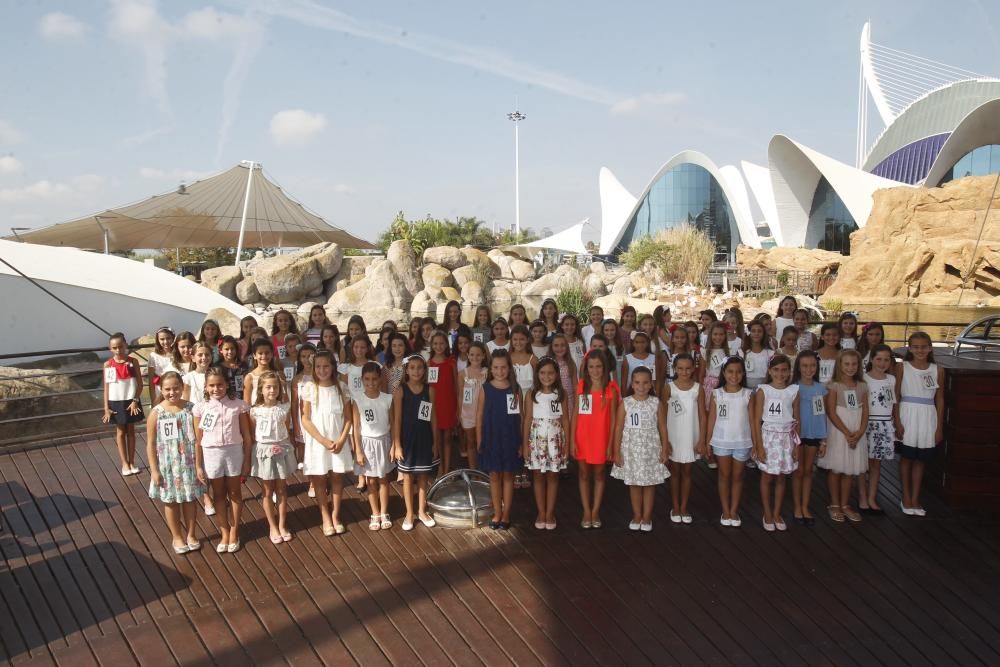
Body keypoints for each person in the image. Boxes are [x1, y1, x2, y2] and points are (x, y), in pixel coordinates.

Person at [146, 371, 205, 554]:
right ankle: (176, 536)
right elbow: (150, 443)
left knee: (190, 499)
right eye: (167, 389)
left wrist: (199, 465)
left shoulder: (191, 408)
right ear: (161, 390)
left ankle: (191, 534)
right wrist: (154, 470)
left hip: (188, 462)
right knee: (170, 501)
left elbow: (197, 438)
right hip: (168, 465)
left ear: (182, 387)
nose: (172, 392)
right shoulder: (157, 413)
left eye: (176, 388)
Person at [194, 367, 252, 552]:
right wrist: (198, 466)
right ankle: (224, 532)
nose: (216, 389)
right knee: (218, 494)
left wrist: (247, 460)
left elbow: (247, 436)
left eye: (220, 384)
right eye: (211, 385)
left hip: (234, 452)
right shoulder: (200, 408)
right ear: (205, 387)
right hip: (212, 454)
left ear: (227, 385)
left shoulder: (238, 405)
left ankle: (235, 531)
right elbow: (197, 439)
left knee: (234, 492)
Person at [300, 350, 353, 536]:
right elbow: (305, 419)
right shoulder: (310, 387)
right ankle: (325, 516)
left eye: (326, 366)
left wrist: (341, 439)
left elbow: (348, 418)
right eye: (318, 367)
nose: (322, 370)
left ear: (333, 367)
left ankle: (336, 514)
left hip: (338, 440)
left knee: (338, 478)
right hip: (319, 441)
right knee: (320, 478)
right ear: (314, 368)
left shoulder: (342, 387)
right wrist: (322, 440)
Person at [611, 367, 669, 532]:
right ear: (632, 384)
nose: (641, 386)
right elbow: (618, 428)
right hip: (631, 450)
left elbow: (663, 427)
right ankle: (637, 515)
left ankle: (647, 516)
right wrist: (616, 451)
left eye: (645, 383)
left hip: (651, 449)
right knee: (634, 483)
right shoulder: (626, 403)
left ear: (651, 384)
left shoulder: (656, 403)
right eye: (637, 382)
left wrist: (664, 449)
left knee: (650, 484)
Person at [894, 332, 944, 516]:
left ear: (930, 348)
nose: (920, 350)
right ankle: (905, 497)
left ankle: (916, 499)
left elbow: (940, 399)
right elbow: (896, 395)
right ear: (909, 348)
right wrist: (897, 421)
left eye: (924, 346)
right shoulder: (903, 368)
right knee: (906, 458)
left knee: (921, 460)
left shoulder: (937, 370)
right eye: (915, 346)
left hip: (927, 416)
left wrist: (939, 426)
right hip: (907, 413)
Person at [818, 350, 869, 523]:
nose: (850, 367)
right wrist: (847, 433)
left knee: (850, 470)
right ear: (839, 365)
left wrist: (860, 432)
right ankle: (834, 504)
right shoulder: (834, 386)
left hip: (856, 432)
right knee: (836, 468)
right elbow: (831, 412)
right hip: (839, 431)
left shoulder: (862, 385)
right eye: (846, 364)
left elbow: (866, 412)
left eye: (854, 364)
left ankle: (845, 504)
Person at [751, 355, 800, 532]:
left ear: (789, 371)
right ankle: (767, 513)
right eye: (776, 370)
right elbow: (756, 420)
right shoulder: (763, 390)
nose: (780, 373)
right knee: (767, 476)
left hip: (786, 438)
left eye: (784, 370)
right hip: (768, 438)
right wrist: (758, 445)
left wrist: (796, 446)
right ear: (770, 371)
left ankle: (777, 512)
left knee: (781, 477)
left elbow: (797, 420)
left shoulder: (793, 391)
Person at [572, 350, 619, 529]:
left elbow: (614, 419)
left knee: (599, 475)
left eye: (598, 366)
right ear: (586, 368)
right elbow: (576, 414)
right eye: (591, 366)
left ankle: (596, 510)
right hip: (583, 437)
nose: (595, 370)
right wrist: (572, 440)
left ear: (604, 367)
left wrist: (611, 444)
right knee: (583, 474)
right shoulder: (582, 386)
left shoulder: (611, 388)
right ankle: (586, 510)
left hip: (601, 439)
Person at [393, 355, 439, 531]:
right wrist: (397, 444)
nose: (416, 371)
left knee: (423, 476)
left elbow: (433, 418)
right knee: (407, 476)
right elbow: (397, 419)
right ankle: (409, 513)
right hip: (407, 439)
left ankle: (421, 510)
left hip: (424, 438)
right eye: (412, 368)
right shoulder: (401, 390)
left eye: (420, 368)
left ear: (424, 370)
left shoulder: (430, 390)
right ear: (406, 370)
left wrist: (435, 442)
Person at [477, 350, 523, 529]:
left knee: (508, 477)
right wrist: (480, 439)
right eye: (496, 367)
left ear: (509, 368)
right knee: (494, 476)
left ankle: (506, 514)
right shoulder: (485, 388)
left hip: (510, 438)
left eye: (503, 367)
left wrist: (520, 442)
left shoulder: (514, 388)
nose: (500, 371)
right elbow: (479, 416)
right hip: (491, 438)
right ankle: (497, 512)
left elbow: (520, 416)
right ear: (490, 368)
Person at [250, 371, 297, 544]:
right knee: (268, 491)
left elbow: (286, 430)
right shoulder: (254, 411)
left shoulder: (284, 407)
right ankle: (272, 525)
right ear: (261, 389)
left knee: (282, 490)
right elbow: (253, 432)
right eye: (268, 387)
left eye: (275, 387)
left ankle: (282, 524)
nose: (272, 390)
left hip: (281, 450)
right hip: (264, 452)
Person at [522, 357, 568, 530]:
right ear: (537, 374)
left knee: (553, 476)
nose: (546, 376)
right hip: (537, 440)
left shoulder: (560, 395)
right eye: (542, 372)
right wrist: (525, 444)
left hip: (555, 440)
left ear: (556, 374)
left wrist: (567, 444)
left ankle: (550, 512)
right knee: (538, 477)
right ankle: (541, 512)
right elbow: (527, 420)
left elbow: (565, 420)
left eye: (550, 373)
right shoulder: (532, 394)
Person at [706, 357, 753, 527]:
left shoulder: (748, 394)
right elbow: (711, 419)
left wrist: (755, 443)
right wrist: (707, 442)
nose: (734, 375)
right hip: (721, 441)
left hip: (742, 441)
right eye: (730, 371)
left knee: (738, 476)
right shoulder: (717, 394)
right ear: (724, 373)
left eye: (739, 371)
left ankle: (734, 510)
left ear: (743, 373)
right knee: (724, 475)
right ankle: (725, 510)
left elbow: (753, 420)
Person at [352, 362, 396, 531]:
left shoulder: (387, 398)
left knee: (384, 479)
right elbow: (356, 427)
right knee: (371, 480)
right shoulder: (357, 400)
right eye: (367, 379)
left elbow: (392, 422)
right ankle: (375, 512)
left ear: (380, 379)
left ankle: (384, 512)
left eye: (374, 379)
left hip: (383, 441)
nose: (371, 383)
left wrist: (393, 444)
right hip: (366, 442)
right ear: (362, 380)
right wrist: (358, 450)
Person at [663, 353, 704, 523]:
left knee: (687, 471)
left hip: (690, 435)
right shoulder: (669, 388)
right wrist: (664, 440)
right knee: (675, 472)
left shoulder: (698, 388)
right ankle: (675, 506)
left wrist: (702, 439)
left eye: (688, 368)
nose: (684, 372)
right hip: (674, 435)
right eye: (680, 368)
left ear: (693, 369)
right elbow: (663, 416)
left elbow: (702, 414)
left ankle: (684, 507)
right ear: (674, 369)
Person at [860, 344, 896, 514]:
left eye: (886, 360)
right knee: (862, 463)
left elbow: (892, 402)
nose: (882, 363)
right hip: (867, 424)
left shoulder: (891, 379)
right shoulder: (864, 379)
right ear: (872, 359)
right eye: (879, 359)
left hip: (884, 424)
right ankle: (862, 497)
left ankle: (872, 497)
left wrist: (896, 421)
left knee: (876, 464)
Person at [792, 351, 826, 525]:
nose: (809, 369)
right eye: (805, 366)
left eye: (812, 365)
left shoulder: (821, 388)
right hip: (797, 436)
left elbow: (821, 415)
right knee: (798, 471)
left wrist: (823, 439)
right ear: (798, 367)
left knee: (807, 471)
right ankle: (797, 506)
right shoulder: (793, 387)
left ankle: (805, 505)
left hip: (813, 434)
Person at [102, 332, 144, 476]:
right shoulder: (108, 364)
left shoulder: (133, 361)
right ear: (110, 348)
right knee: (120, 431)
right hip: (116, 401)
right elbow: (106, 388)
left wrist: (135, 400)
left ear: (125, 345)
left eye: (120, 346)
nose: (118, 350)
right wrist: (107, 408)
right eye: (114, 348)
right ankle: (124, 463)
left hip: (131, 400)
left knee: (131, 430)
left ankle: (132, 461)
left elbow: (140, 384)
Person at [428, 331, 458, 474]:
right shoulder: (428, 363)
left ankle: (447, 468)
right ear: (431, 345)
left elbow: (456, 385)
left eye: (441, 343)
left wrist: (457, 406)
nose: (438, 346)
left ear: (446, 344)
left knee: (447, 437)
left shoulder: (451, 362)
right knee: (437, 438)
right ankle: (440, 467)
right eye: (435, 343)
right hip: (435, 404)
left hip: (449, 403)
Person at [459, 341, 488, 469]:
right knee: (471, 442)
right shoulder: (462, 373)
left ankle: (484, 469)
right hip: (468, 413)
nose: (475, 358)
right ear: (467, 355)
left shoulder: (487, 373)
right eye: (472, 354)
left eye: (478, 355)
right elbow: (460, 394)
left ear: (483, 356)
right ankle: (473, 470)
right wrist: (460, 413)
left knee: (482, 442)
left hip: (484, 413)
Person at [244, 338, 284, 405]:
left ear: (272, 354)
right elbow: (246, 403)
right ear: (254, 356)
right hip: (257, 414)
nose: (264, 356)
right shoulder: (249, 377)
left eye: (267, 353)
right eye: (260, 353)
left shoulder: (279, 374)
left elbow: (284, 399)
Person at [147, 326, 176, 406]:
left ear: (173, 338)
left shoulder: (177, 355)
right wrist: (153, 400)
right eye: (162, 339)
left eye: (168, 338)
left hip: (175, 388)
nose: (166, 341)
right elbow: (151, 380)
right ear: (158, 340)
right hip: (159, 389)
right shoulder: (153, 356)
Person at [742, 320, 774, 390]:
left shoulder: (770, 353)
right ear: (749, 333)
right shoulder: (742, 352)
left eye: (759, 331)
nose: (756, 333)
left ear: (763, 334)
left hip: (764, 389)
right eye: (753, 331)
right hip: (745, 389)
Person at [181, 342, 212, 408]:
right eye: (200, 355)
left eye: (207, 354)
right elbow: (185, 401)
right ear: (193, 358)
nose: (204, 357)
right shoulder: (188, 378)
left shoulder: (216, 375)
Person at [549, 333, 578, 402]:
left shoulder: (571, 364)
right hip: (552, 401)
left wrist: (576, 404)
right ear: (551, 347)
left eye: (562, 345)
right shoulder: (548, 363)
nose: (559, 348)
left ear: (567, 346)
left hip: (569, 400)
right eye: (556, 345)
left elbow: (575, 387)